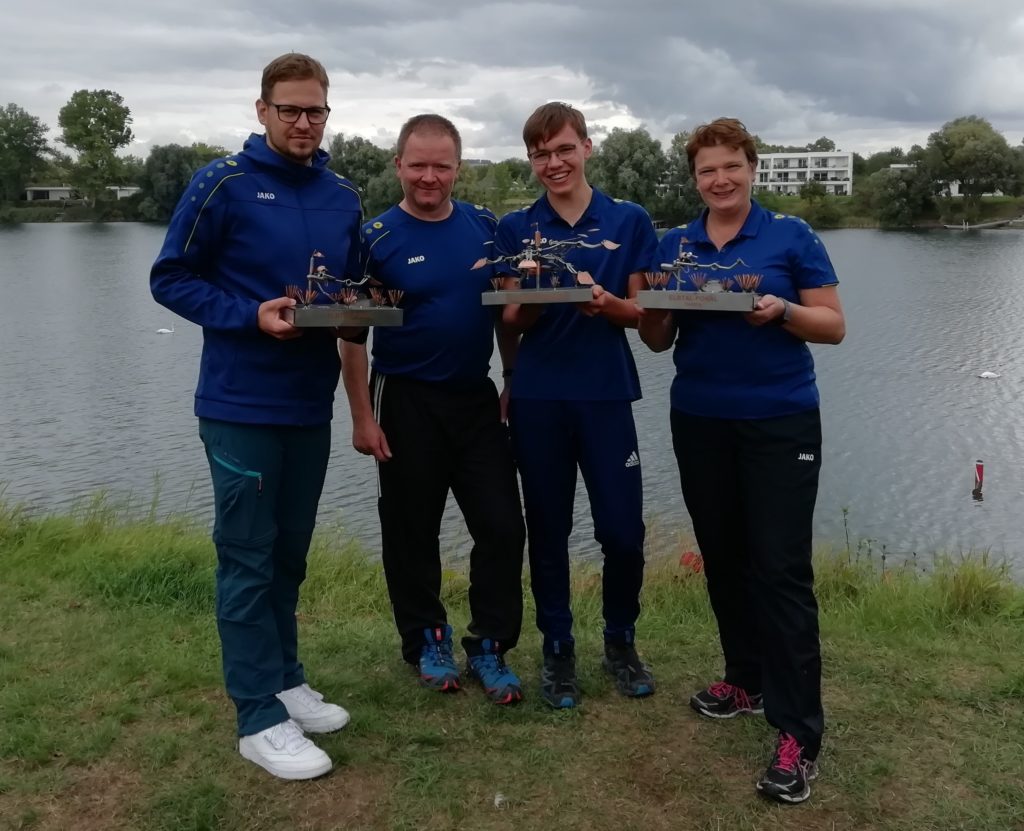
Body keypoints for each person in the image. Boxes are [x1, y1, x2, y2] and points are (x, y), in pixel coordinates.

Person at [150, 53, 361, 780]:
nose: (304, 122)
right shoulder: (224, 183)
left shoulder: (342, 194)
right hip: (240, 403)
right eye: (290, 109)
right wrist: (249, 314)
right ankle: (255, 715)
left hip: (310, 404)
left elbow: (352, 289)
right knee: (246, 555)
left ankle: (284, 676)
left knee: (289, 553)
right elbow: (170, 276)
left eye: (316, 110)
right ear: (263, 110)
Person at [638, 117, 846, 804]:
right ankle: (746, 678)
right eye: (706, 171)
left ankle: (798, 733)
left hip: (780, 420)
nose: (719, 179)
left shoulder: (791, 235)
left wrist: (780, 307)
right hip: (700, 419)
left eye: (731, 166)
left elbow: (832, 324)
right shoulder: (677, 242)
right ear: (694, 179)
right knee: (725, 558)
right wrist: (653, 306)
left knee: (781, 571)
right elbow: (659, 338)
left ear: (751, 168)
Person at [340, 114, 526, 705]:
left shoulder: (485, 227)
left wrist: (511, 379)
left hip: (474, 398)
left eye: (441, 165)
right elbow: (351, 336)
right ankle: (427, 639)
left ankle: (490, 644)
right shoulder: (372, 237)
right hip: (404, 399)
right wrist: (362, 416)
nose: (429, 176)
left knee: (502, 525)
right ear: (398, 164)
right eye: (417, 164)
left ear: (458, 168)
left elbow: (504, 312)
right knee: (410, 529)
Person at [494, 102, 658, 709]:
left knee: (622, 532)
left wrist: (605, 303)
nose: (552, 163)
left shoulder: (631, 219)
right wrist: (533, 306)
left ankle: (620, 640)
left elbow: (643, 315)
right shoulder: (516, 228)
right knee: (548, 531)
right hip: (538, 396)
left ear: (587, 147)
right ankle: (557, 648)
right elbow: (508, 315)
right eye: (540, 153)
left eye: (563, 149)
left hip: (607, 393)